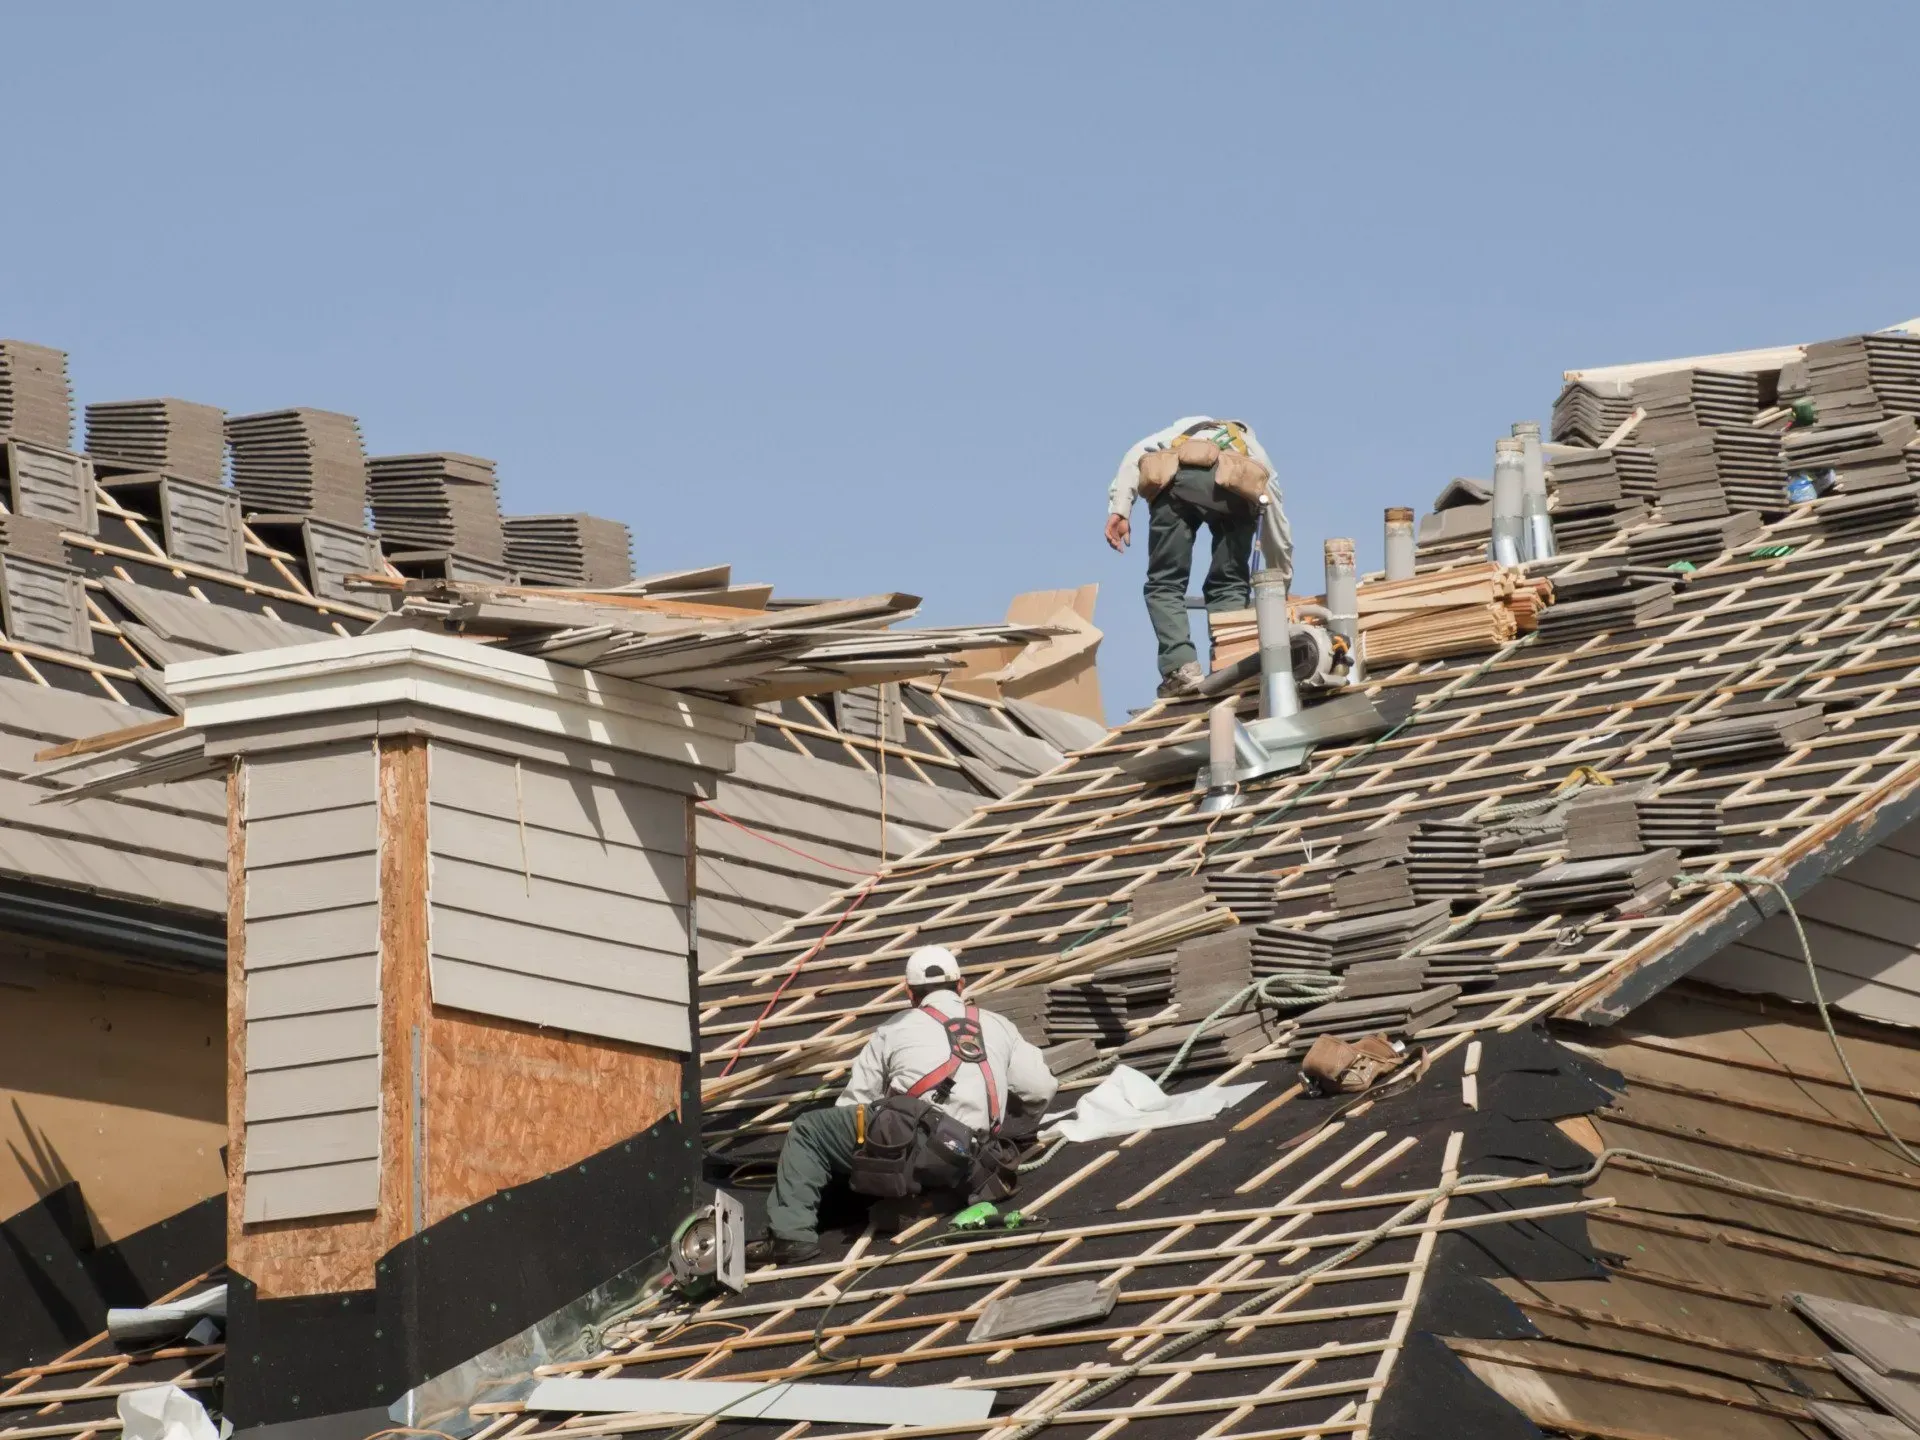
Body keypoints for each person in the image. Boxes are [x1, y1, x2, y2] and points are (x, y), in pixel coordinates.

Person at [748, 945, 1058, 1264]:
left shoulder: (894, 1029)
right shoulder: (998, 1024)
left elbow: (854, 1106)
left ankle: (790, 1236)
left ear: (909, 992)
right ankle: (927, 1195)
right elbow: (1041, 1087)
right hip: (976, 1161)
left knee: (809, 1131)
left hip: (919, 1153)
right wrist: (1018, 1133)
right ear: (961, 986)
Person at [1106, 416, 1292, 699]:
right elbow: (1275, 519)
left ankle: (1181, 668)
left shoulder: (1176, 432)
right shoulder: (1253, 449)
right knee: (1229, 583)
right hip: (1237, 492)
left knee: (1165, 583)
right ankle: (1228, 662)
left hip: (1177, 486)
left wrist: (1120, 509)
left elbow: (1135, 457)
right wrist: (1280, 585)